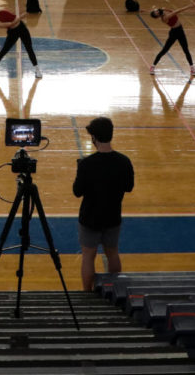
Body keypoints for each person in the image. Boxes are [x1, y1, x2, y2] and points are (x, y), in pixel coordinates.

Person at [73, 116, 134, 292]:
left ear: (94, 138)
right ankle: (116, 291)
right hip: (112, 216)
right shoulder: (124, 161)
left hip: (90, 217)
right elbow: (128, 187)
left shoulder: (86, 164)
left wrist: (81, 172)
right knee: (113, 253)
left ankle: (87, 293)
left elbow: (77, 192)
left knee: (88, 256)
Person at [0, 0, 42, 78]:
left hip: (22, 28)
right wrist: (21, 17)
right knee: (4, 51)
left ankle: (37, 70)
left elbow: (11, 16)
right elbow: (11, 24)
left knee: (29, 48)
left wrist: (20, 16)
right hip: (13, 33)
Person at [149, 4, 195, 77]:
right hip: (174, 33)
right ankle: (152, 66)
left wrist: (166, 8)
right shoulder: (165, 18)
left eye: (156, 11)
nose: (157, 11)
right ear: (158, 16)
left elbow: (172, 10)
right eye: (156, 13)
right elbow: (177, 11)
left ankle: (192, 68)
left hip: (181, 31)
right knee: (164, 50)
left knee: (186, 50)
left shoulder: (164, 11)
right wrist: (189, 6)